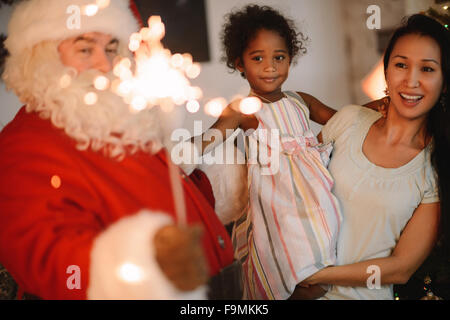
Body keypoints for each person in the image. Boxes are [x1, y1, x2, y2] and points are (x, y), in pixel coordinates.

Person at [0, 0, 235, 299]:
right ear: (43, 56)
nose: (105, 64)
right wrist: (147, 264)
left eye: (111, 48)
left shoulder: (118, 122)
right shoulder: (24, 144)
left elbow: (149, 194)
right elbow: (55, 265)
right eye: (85, 49)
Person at [194, 5, 383, 300]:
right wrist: (182, 152)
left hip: (317, 196)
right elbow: (211, 136)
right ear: (240, 64)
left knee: (324, 253)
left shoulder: (300, 101)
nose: (270, 67)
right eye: (258, 58)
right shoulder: (243, 111)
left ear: (290, 59)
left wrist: (382, 107)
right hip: (278, 203)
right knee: (288, 260)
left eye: (279, 58)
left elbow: (346, 119)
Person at [297, 13, 449, 300]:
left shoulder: (435, 169)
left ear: (444, 81)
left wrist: (317, 275)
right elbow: (296, 186)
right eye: (401, 65)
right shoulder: (349, 120)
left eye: (427, 69)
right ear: (387, 71)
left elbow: (401, 268)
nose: (411, 80)